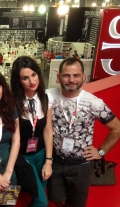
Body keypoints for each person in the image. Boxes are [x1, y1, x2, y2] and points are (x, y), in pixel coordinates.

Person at [46, 57, 120, 207]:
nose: (71, 79)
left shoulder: (93, 102)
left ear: (83, 77)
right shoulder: (48, 96)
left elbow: (117, 128)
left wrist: (100, 152)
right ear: (58, 77)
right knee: (56, 198)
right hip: (56, 161)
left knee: (77, 203)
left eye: (76, 75)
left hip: (81, 165)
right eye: (66, 75)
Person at [10, 56, 53, 207]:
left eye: (34, 74)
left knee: (39, 198)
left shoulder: (45, 98)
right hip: (23, 157)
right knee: (41, 201)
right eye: (25, 78)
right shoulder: (12, 103)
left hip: (42, 154)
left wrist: (49, 160)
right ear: (18, 81)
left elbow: (48, 132)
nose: (32, 81)